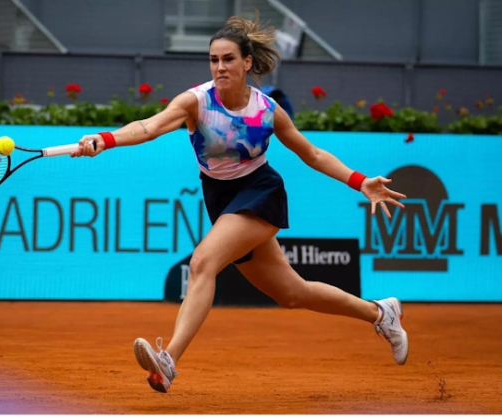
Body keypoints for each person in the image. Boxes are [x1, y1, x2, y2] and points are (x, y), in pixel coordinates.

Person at [70, 13, 409, 394]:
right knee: (291, 293)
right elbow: (150, 126)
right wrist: (106, 138)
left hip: (260, 192)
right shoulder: (195, 102)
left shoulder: (266, 111)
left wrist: (361, 182)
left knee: (202, 262)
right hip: (220, 197)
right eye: (214, 60)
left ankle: (168, 362)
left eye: (228, 59)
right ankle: (381, 313)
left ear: (247, 62)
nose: (219, 67)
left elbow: (312, 154)